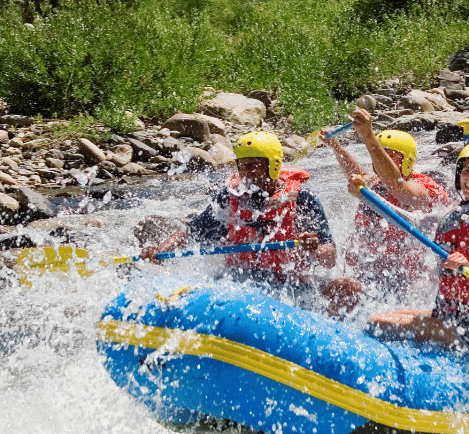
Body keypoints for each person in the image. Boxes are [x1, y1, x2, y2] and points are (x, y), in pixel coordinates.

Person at [350, 141, 469, 353]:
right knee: (381, 318)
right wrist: (366, 196)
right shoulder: (453, 215)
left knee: (378, 324)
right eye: (466, 172)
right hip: (448, 314)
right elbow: (409, 221)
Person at [140, 131, 346, 305]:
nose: (247, 173)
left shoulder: (302, 199)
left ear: (272, 165)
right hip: (240, 278)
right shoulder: (230, 197)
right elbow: (191, 231)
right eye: (242, 166)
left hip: (292, 283)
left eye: (253, 165)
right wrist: (160, 250)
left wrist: (313, 249)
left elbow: (329, 259)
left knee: (348, 287)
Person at [321, 108, 450, 294]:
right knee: (336, 287)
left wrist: (368, 136)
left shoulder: (425, 189)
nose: (378, 159)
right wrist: (336, 147)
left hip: (405, 275)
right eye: (378, 154)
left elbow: (398, 188)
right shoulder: (374, 181)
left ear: (407, 161)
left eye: (387, 155)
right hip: (368, 267)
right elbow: (357, 173)